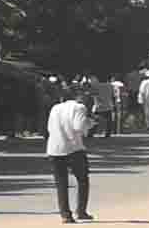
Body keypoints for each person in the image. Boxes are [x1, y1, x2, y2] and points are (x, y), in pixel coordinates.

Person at [46, 84, 96, 224]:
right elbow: (79, 127)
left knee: (61, 183)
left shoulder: (55, 108)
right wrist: (90, 123)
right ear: (77, 95)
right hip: (74, 148)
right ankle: (81, 211)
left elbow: (49, 127)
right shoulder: (79, 107)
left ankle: (65, 215)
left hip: (54, 148)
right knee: (82, 179)